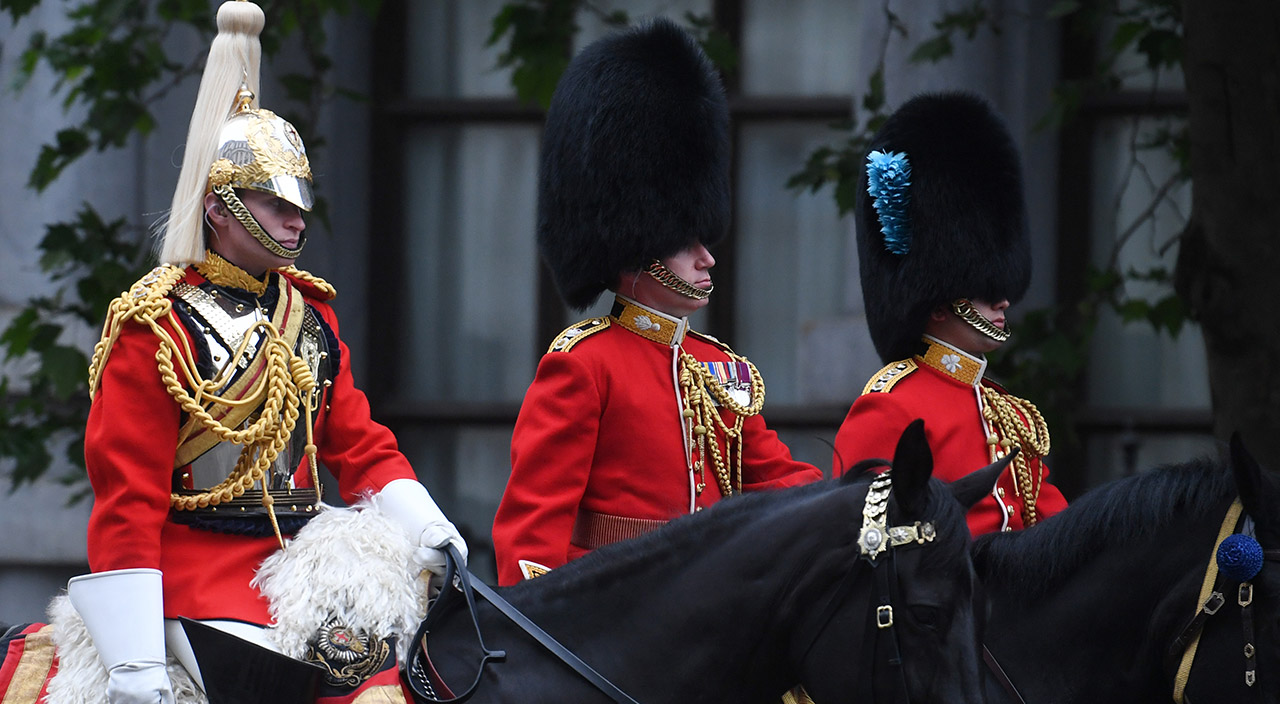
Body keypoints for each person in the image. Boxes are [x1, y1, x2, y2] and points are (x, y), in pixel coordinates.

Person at [68, 2, 465, 701]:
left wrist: (429, 525)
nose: (295, 217)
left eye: (299, 199)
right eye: (273, 200)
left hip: (309, 564)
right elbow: (127, 501)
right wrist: (133, 659)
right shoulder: (155, 326)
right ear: (218, 209)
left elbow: (360, 445)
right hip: (199, 572)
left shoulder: (309, 314)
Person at [491, 18, 822, 587]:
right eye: (684, 241)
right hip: (614, 614)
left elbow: (784, 482)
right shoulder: (585, 365)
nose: (707, 257)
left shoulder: (719, 369)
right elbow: (531, 541)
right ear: (638, 247)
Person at [832, 92, 1068, 535]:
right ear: (938, 304)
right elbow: (868, 542)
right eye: (984, 289)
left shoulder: (1009, 414)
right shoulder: (891, 408)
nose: (1003, 300)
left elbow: (1057, 531)